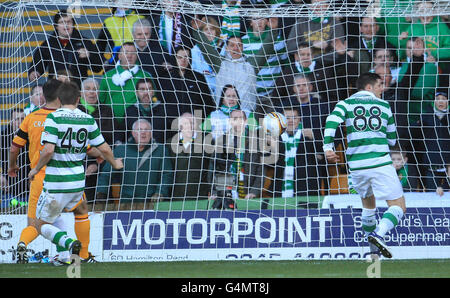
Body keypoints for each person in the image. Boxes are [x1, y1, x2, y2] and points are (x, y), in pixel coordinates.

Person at [26, 81, 123, 263]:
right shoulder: (87, 119)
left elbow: (48, 150)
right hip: (78, 181)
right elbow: (104, 148)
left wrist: (36, 169)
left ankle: (69, 243)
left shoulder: (54, 118)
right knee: (81, 212)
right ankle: (84, 256)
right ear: (79, 99)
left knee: (40, 225)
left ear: (60, 99)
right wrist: (114, 163)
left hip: (56, 182)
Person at [323, 72, 407, 258]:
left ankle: (372, 254)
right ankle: (378, 234)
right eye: (379, 86)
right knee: (399, 206)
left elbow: (331, 121)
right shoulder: (384, 106)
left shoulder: (345, 103)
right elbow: (392, 140)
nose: (382, 89)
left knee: (368, 206)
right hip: (380, 161)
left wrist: (328, 148)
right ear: (369, 87)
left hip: (357, 166)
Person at [96, 119, 173, 209]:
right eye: (139, 130)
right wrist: (101, 192)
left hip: (152, 203)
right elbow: (106, 173)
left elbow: (167, 174)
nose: (143, 133)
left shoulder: (161, 150)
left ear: (151, 133)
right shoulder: (121, 150)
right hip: (126, 202)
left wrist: (160, 192)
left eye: (146, 130)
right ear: (133, 133)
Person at [28, 9, 103, 87]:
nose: (66, 25)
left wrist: (89, 56)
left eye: (69, 22)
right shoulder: (48, 44)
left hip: (78, 90)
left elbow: (98, 68)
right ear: (56, 26)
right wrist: (34, 72)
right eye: (62, 22)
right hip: (56, 90)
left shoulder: (85, 42)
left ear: (73, 24)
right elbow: (37, 64)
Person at [98, 42, 154, 143]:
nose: (129, 55)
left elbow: (152, 99)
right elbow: (101, 101)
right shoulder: (108, 76)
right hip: (110, 127)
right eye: (126, 52)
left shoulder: (145, 76)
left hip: (136, 128)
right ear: (119, 55)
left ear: (137, 55)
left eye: (133, 52)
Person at [207, 109, 262, 209]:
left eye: (241, 119)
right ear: (230, 121)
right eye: (234, 119)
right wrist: (214, 191)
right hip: (225, 189)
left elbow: (260, 169)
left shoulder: (255, 140)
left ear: (246, 121)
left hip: (248, 190)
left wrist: (254, 191)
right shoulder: (221, 141)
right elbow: (213, 167)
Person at [78, 78, 115, 203]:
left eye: (95, 89)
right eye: (88, 89)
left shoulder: (107, 110)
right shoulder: (74, 112)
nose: (92, 92)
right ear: (81, 93)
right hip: (79, 160)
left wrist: (96, 161)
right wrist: (89, 163)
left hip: (103, 160)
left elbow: (111, 138)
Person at [271, 107, 321, 198]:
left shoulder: (308, 136)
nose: (291, 121)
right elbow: (267, 163)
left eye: (294, 118)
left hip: (306, 187)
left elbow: (321, 158)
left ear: (300, 120)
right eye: (287, 118)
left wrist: (314, 139)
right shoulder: (275, 138)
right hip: (279, 187)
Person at [158, 46, 216, 122]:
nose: (183, 60)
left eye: (186, 57)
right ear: (174, 58)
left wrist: (196, 119)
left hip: (195, 125)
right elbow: (162, 105)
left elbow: (208, 104)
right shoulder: (165, 80)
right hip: (172, 126)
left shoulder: (198, 78)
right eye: (180, 57)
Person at [242, 16, 289, 97]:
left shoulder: (278, 39)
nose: (259, 22)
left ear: (267, 21)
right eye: (255, 18)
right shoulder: (242, 42)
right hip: (250, 94)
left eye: (262, 18)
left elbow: (286, 63)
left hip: (273, 93)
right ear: (250, 22)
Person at [169, 113, 210, 200]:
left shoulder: (207, 141)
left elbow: (212, 167)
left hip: (201, 195)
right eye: (186, 123)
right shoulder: (170, 143)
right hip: (176, 195)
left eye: (192, 123)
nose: (189, 126)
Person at [417, 90, 450, 194]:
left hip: (448, 165)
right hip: (431, 163)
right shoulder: (425, 117)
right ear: (433, 101)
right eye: (438, 99)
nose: (441, 102)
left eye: (444, 99)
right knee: (432, 194)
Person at [125, 78, 167, 143]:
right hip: (136, 149)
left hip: (158, 148)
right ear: (136, 93)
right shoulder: (130, 111)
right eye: (142, 89)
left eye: (149, 89)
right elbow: (122, 132)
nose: (146, 93)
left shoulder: (163, 109)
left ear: (153, 92)